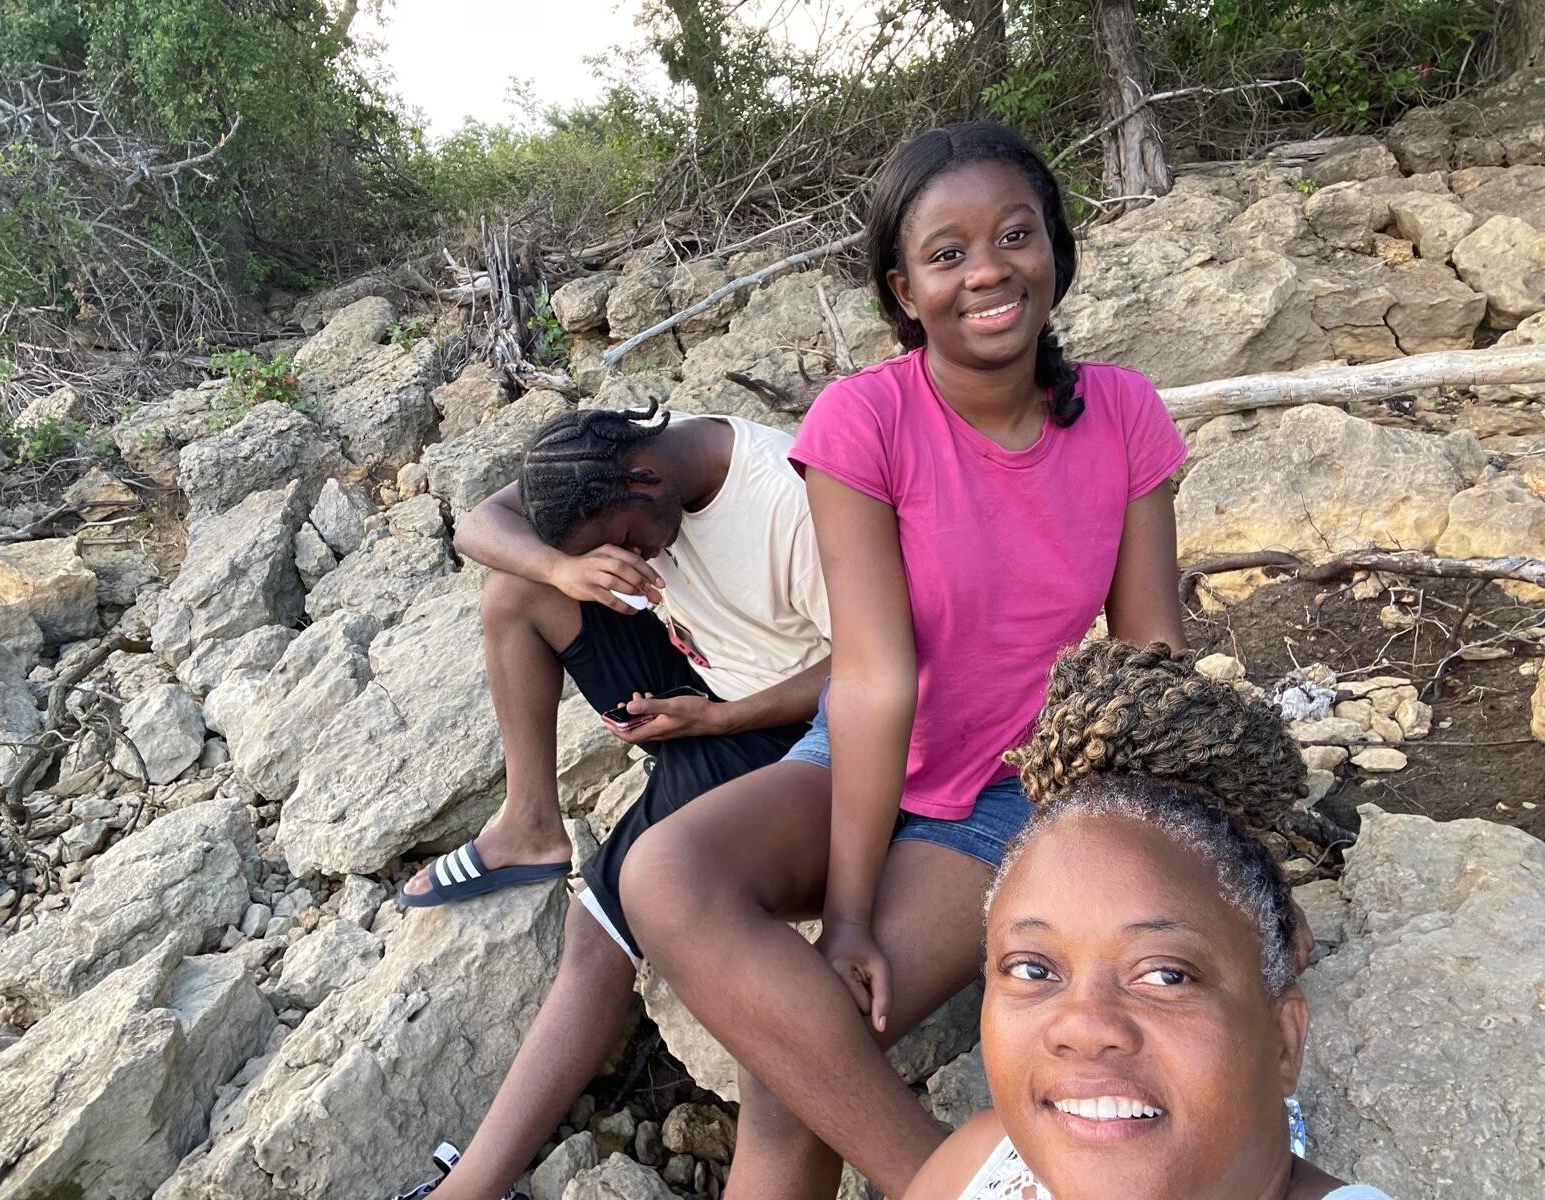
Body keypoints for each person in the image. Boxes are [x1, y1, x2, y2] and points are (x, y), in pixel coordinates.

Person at [619, 120, 1189, 1198]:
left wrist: (1187, 850)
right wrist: (844, 911)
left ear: (1054, 247)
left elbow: (1150, 658)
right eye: (947, 253)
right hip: (859, 753)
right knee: (664, 873)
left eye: (1014, 235)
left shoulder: (1123, 411)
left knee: (792, 1076)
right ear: (903, 288)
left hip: (1012, 788)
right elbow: (876, 676)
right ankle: (958, 1184)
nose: (988, 271)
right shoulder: (864, 418)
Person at [402, 399, 831, 1199]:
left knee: (597, 929)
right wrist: (565, 570)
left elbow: (872, 665)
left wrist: (719, 719)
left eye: (627, 540)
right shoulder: (618, 464)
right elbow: (480, 525)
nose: (632, 557)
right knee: (517, 590)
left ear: (643, 478)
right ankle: (531, 825)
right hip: (700, 672)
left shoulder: (787, 500)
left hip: (779, 735)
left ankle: (469, 1190)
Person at [903, 639, 1391, 1200]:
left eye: (1165, 974)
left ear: (1284, 1040)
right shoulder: (977, 1163)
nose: (1084, 1028)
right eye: (1033, 969)